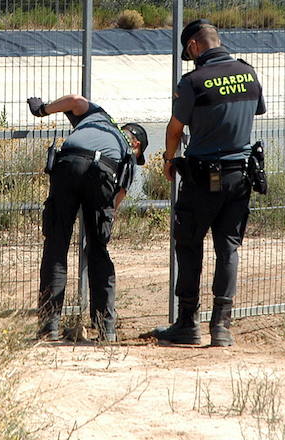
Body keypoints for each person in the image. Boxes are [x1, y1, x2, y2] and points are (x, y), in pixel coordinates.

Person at [153, 19, 265, 347]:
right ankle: (222, 327)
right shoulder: (248, 73)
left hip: (203, 177)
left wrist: (170, 160)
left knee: (189, 245)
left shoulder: (193, 81)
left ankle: (188, 324)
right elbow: (253, 112)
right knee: (228, 247)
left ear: (194, 47)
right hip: (241, 176)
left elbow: (175, 129)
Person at [26, 93, 147, 342]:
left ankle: (49, 327)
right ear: (136, 145)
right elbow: (116, 200)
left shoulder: (99, 117)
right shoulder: (127, 156)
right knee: (98, 251)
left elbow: (74, 100)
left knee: (56, 246)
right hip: (103, 172)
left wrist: (42, 110)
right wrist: (100, 226)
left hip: (67, 163)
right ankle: (106, 330)